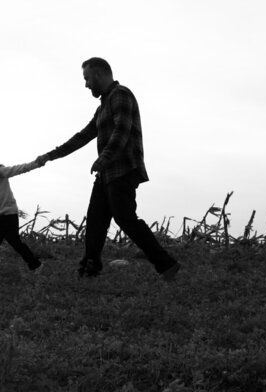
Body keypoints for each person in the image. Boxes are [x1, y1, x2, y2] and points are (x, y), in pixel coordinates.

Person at [37, 57, 180, 280]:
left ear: (99, 74)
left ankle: (166, 264)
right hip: (107, 173)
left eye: (87, 79)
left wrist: (103, 158)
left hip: (123, 169)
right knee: (95, 220)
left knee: (125, 218)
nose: (86, 85)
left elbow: (122, 131)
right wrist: (50, 155)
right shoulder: (102, 106)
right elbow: (82, 136)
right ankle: (90, 267)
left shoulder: (121, 94)